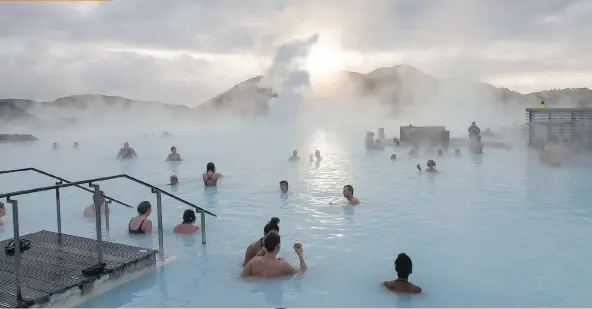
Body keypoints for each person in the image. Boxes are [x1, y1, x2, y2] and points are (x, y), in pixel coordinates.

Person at [240, 232, 307, 278]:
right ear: (278, 246)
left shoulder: (253, 262)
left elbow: (241, 278)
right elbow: (303, 272)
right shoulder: (283, 266)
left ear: (265, 246)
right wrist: (300, 254)